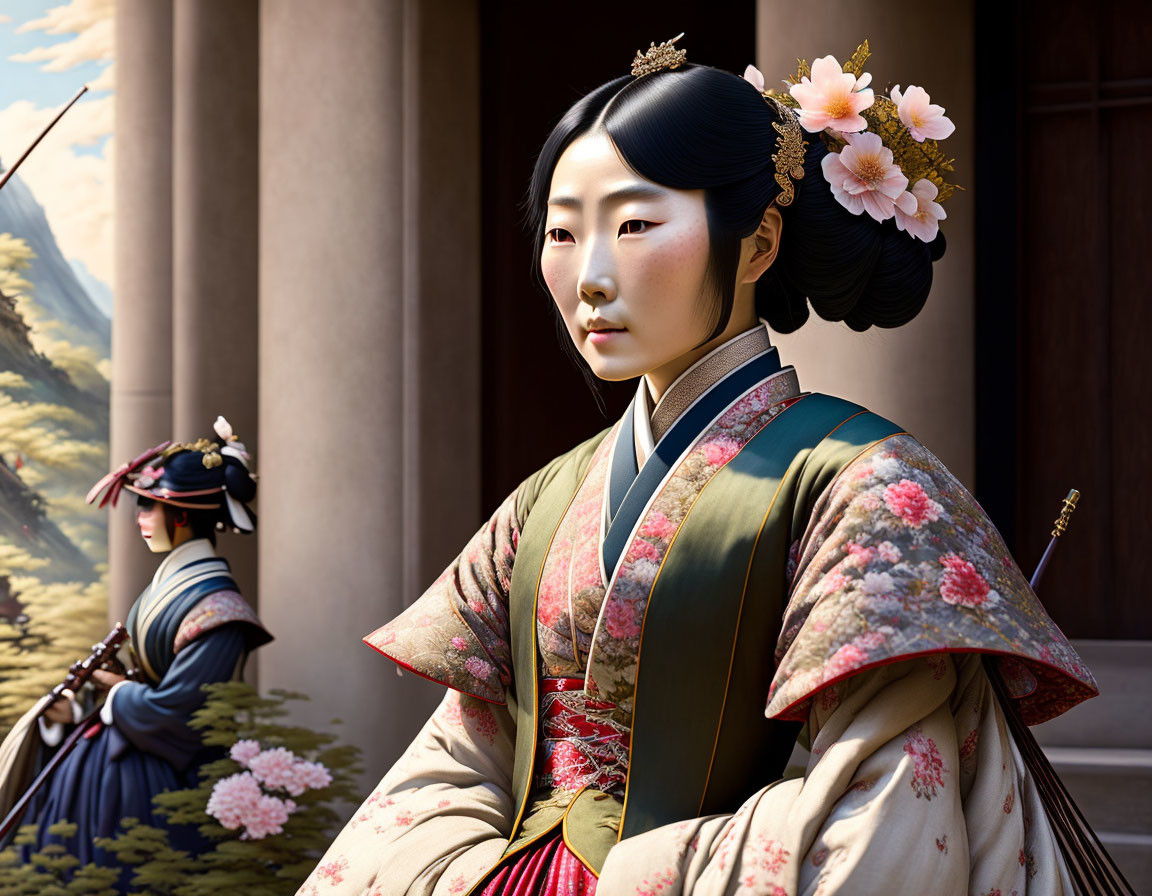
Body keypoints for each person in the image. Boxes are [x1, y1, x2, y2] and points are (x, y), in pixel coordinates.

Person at [301, 40, 1099, 895]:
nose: (590, 277)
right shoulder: (547, 498)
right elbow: (457, 760)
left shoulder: (863, 485)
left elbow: (889, 813)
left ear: (756, 244)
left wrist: (633, 874)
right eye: (563, 231)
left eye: (635, 224)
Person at [27, 417, 271, 888]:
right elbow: (145, 680)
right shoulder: (164, 588)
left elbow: (184, 711)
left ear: (181, 517)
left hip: (161, 776)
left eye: (148, 508)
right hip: (118, 757)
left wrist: (116, 690)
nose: (140, 519)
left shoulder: (221, 611)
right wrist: (75, 708)